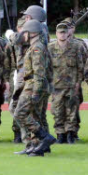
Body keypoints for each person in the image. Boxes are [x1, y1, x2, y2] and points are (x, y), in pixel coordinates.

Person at [14, 19, 55, 156]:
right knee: (35, 115)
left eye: (24, 32)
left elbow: (39, 72)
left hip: (33, 85)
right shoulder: (35, 46)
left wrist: (36, 91)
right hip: (32, 84)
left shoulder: (37, 47)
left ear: (31, 33)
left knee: (19, 113)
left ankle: (44, 137)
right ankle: (38, 147)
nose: (22, 35)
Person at [48, 23, 84, 144]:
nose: (62, 35)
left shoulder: (75, 47)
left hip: (71, 85)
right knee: (57, 111)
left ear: (68, 33)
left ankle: (70, 134)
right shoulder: (50, 48)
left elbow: (80, 66)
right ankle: (60, 134)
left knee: (71, 111)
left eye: (64, 32)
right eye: (60, 32)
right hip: (56, 85)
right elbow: (47, 67)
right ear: (56, 34)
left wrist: (79, 82)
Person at [5, 16, 28, 143]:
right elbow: (7, 64)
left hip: (28, 78)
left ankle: (28, 134)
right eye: (21, 27)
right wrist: (6, 79)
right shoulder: (11, 45)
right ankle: (17, 133)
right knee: (14, 105)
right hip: (16, 77)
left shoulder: (32, 43)